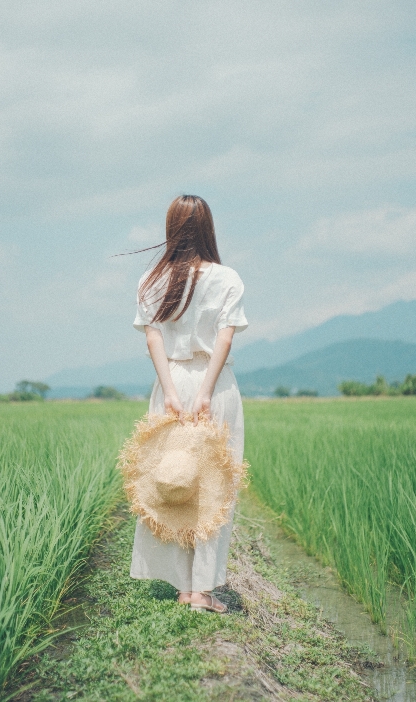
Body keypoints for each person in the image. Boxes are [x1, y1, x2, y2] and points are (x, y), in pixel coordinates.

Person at [129, 194, 248, 614]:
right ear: (208, 228)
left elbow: (153, 338)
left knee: (173, 481)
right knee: (212, 487)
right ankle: (201, 591)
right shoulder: (228, 278)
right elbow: (225, 338)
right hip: (215, 386)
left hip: (171, 383)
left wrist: (173, 394)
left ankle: (182, 587)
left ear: (171, 229)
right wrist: (203, 393)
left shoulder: (152, 280)